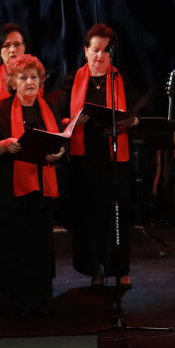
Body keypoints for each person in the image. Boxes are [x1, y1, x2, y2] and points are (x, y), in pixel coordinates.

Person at [0, 54, 64, 316]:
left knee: (40, 249)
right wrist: (3, 146)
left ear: (41, 81)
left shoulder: (49, 107)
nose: (29, 82)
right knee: (13, 251)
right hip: (9, 195)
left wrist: (60, 153)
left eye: (34, 77)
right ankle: (14, 303)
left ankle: (40, 301)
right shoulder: (0, 109)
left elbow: (60, 140)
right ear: (12, 82)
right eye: (23, 77)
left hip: (41, 192)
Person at [60, 24, 138, 290]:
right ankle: (95, 268)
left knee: (117, 214)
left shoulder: (120, 78)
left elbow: (136, 112)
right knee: (88, 217)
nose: (100, 56)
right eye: (95, 50)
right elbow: (59, 117)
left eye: (105, 51)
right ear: (85, 51)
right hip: (84, 159)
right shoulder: (72, 79)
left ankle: (121, 269)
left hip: (115, 156)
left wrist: (131, 120)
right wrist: (72, 120)